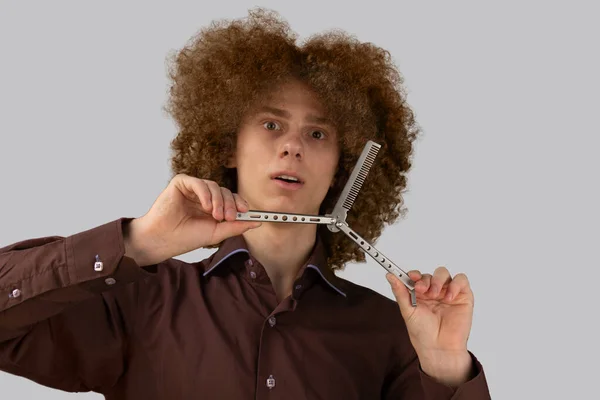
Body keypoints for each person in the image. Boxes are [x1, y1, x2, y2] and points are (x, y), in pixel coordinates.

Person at [0, 8, 491, 399]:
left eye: (317, 132)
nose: (292, 147)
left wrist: (446, 369)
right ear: (227, 146)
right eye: (272, 124)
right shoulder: (141, 300)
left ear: (343, 167)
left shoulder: (391, 333)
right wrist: (137, 242)